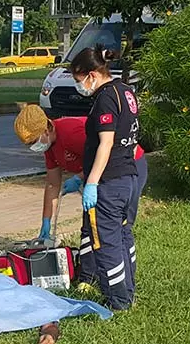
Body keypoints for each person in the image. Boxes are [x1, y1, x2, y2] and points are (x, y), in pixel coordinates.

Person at [14, 103, 148, 283]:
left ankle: (121, 280)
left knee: (115, 227)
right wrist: (46, 221)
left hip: (125, 167)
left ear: (46, 130)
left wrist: (79, 177)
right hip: (97, 175)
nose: (32, 147)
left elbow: (106, 154)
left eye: (33, 142)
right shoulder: (49, 147)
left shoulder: (71, 133)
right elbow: (53, 184)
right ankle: (88, 277)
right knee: (90, 227)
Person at [70, 45, 141, 311]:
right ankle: (128, 291)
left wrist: (91, 183)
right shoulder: (126, 91)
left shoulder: (105, 98)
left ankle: (118, 301)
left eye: (79, 81)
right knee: (123, 236)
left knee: (107, 241)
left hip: (110, 182)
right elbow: (132, 140)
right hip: (128, 177)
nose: (80, 87)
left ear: (91, 74)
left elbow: (106, 143)